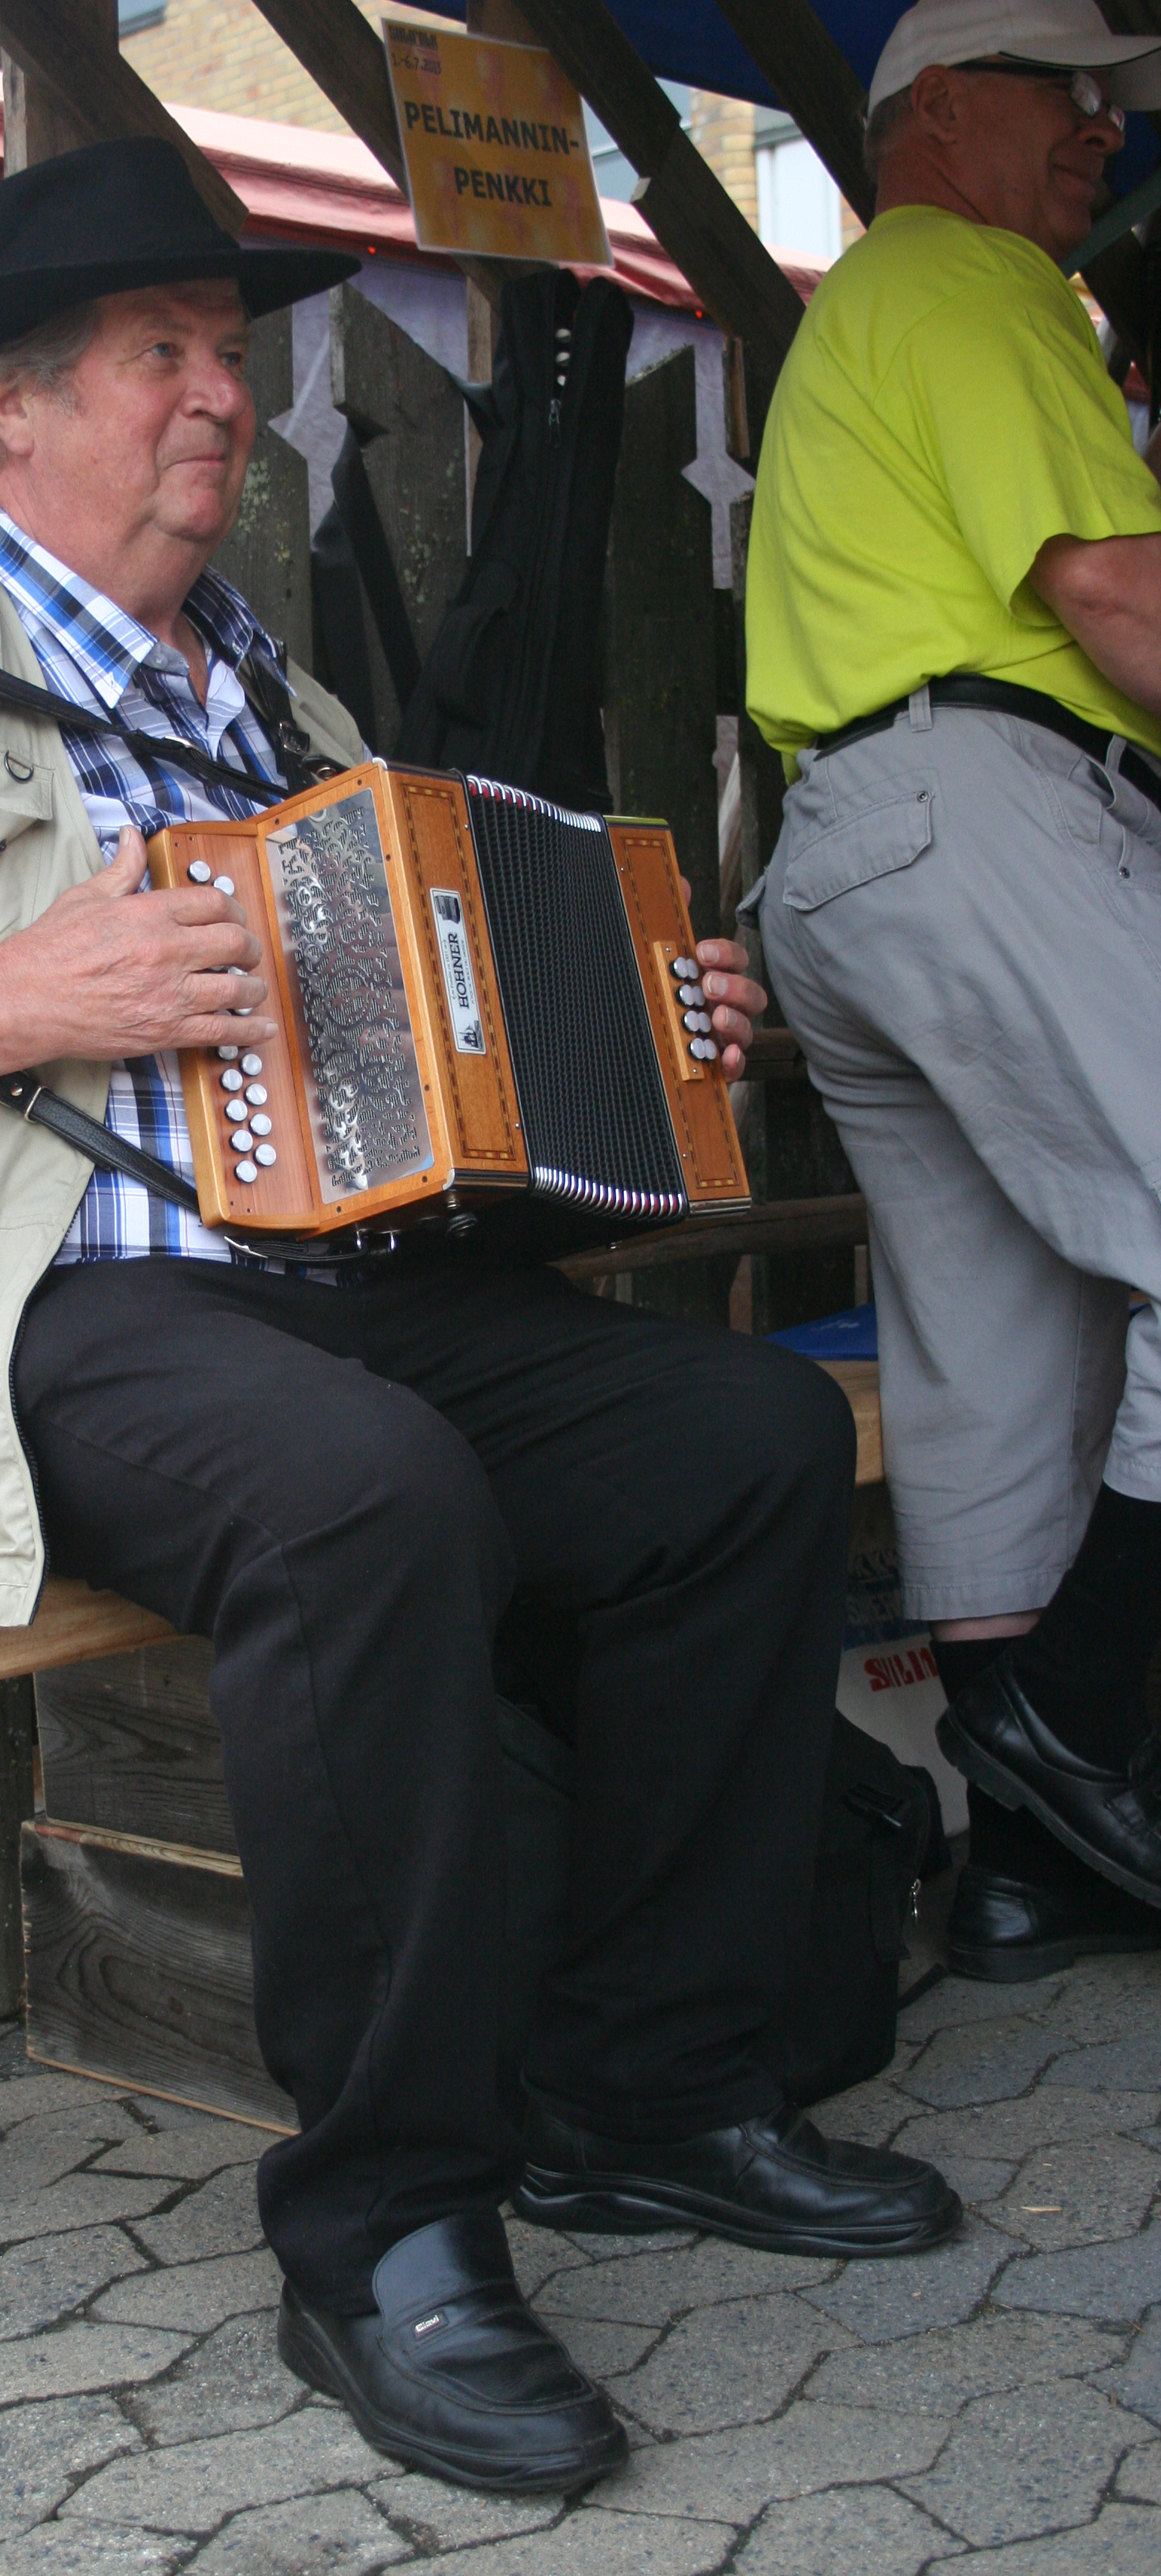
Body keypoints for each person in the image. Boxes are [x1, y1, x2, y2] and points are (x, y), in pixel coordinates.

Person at [0, 139, 958, 2499]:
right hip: (26, 1324)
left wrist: (664, 1010)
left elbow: (427, 1034)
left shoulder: (278, 705)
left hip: (327, 1297)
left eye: (234, 351)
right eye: (163, 355)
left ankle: (657, 2088)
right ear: (10, 412)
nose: (224, 394)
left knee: (729, 1446)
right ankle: (389, 2232)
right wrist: (36, 984)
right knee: (361, 1494)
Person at [744, 0, 1161, 1986]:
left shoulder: (865, 308)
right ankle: (1082, 1719)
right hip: (986, 801)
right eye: (1065, 93)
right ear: (935, 118)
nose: (1101, 129)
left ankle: (1028, 1870)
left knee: (1002, 1361)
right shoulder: (980, 284)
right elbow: (1118, 593)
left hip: (849, 855)